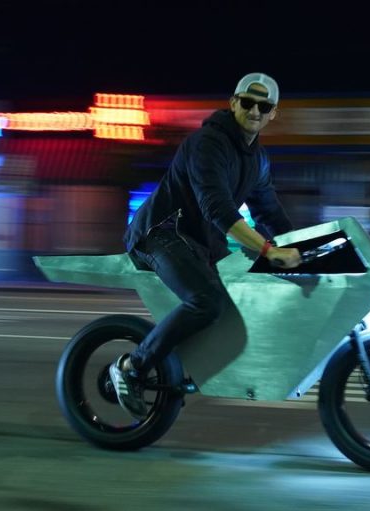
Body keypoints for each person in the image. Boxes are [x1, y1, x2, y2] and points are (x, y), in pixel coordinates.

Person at [110, 72, 301, 418]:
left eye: (264, 106)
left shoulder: (258, 159)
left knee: (246, 293)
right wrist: (268, 250)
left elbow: (269, 212)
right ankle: (132, 367)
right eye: (248, 102)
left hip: (200, 242)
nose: (255, 111)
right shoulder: (208, 144)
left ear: (273, 113)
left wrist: (301, 247)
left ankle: (198, 364)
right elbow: (217, 208)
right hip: (161, 233)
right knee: (206, 301)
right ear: (233, 103)